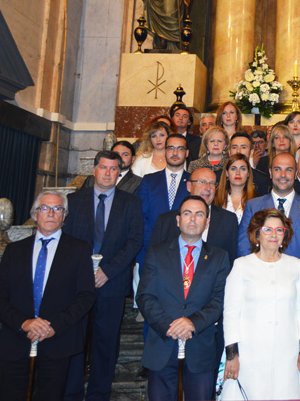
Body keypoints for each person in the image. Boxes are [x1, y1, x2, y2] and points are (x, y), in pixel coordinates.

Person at [0, 191, 96, 401]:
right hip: (17, 341)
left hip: (57, 341)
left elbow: (86, 297)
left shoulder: (79, 250)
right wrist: (25, 323)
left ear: (64, 216)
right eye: (45, 208)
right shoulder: (14, 251)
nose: (51, 213)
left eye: (57, 209)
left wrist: (52, 326)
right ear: (35, 214)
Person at [63, 150, 143, 401]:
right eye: (103, 168)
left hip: (112, 283)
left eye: (113, 169)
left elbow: (134, 241)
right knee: (74, 342)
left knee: (105, 344)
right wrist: (83, 271)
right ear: (94, 170)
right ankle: (72, 394)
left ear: (119, 173)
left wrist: (107, 271)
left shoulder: (130, 203)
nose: (108, 173)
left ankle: (99, 394)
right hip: (77, 284)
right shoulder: (74, 201)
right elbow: (66, 240)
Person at [137, 196, 230, 401]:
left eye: (199, 214)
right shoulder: (157, 253)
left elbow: (220, 299)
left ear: (207, 222)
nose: (193, 219)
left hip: (200, 345)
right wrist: (168, 326)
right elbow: (145, 296)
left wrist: (192, 323)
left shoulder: (219, 256)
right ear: (178, 220)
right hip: (163, 343)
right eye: (187, 213)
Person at [221, 209, 300, 400]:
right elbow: (230, 314)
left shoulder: (295, 265)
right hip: (249, 355)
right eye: (267, 229)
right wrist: (232, 355)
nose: (273, 235)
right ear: (257, 233)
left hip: (287, 354)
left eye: (279, 230)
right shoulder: (241, 265)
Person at [237, 152, 300, 281]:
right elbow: (243, 245)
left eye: (289, 170)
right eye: (278, 169)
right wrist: (259, 274)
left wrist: (295, 276)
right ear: (271, 173)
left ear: (295, 174)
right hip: (259, 281)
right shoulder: (252, 206)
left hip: (297, 283)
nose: (283, 175)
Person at [150, 167, 240, 266]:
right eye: (202, 182)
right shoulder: (165, 221)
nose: (208, 188)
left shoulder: (228, 220)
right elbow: (153, 260)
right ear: (189, 186)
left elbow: (231, 261)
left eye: (212, 183)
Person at [135, 134, 191, 293]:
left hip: (184, 253)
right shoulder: (148, 180)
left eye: (180, 148)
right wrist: (152, 246)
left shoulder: (193, 182)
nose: (175, 152)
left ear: (186, 153)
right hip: (150, 251)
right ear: (165, 151)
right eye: (171, 148)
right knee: (150, 302)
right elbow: (141, 218)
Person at [214, 154, 255, 222]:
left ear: (248, 174)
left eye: (243, 169)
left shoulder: (257, 200)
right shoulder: (215, 197)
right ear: (227, 173)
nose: (238, 173)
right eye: (233, 169)